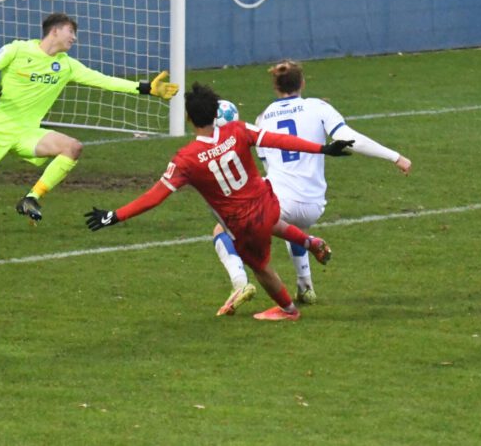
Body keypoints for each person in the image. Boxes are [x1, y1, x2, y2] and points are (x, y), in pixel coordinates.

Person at [84, 82, 355, 321]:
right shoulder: (238, 130)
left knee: (261, 268)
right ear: (216, 113)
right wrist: (324, 149)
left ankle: (287, 310)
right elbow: (278, 140)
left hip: (244, 224)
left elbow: (155, 197)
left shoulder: (186, 159)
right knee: (272, 221)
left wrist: (115, 215)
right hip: (268, 201)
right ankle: (310, 242)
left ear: (189, 118)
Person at [0, 13, 178, 237]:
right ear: (55, 31)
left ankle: (31, 198)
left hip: (28, 133)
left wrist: (146, 89)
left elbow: (104, 81)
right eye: (71, 32)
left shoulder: (66, 65)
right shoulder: (17, 50)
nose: (74, 39)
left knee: (73, 147)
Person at [212, 59, 411, 309]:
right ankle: (305, 287)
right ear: (303, 83)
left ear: (275, 87)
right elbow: (350, 139)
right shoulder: (318, 107)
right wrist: (395, 156)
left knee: (223, 228)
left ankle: (239, 282)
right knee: (292, 225)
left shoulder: (262, 119)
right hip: (313, 205)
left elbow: (266, 166)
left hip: (281, 202)